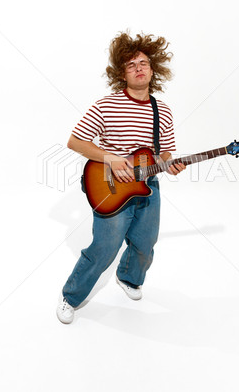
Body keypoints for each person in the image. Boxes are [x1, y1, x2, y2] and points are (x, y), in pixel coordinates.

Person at [56, 32, 186, 324]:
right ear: (122, 73)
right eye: (131, 65)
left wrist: (172, 164)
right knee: (104, 248)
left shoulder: (162, 111)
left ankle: (128, 277)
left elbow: (165, 154)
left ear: (153, 69)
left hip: (148, 186)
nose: (139, 68)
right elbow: (75, 141)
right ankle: (71, 296)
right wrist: (112, 158)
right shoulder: (107, 105)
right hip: (110, 185)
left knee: (145, 243)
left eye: (143, 62)